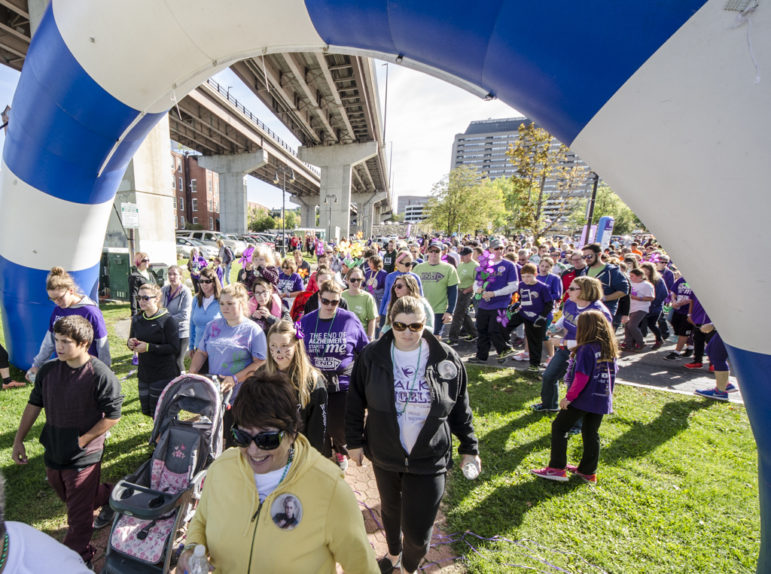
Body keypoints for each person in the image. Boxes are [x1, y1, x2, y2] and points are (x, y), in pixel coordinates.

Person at [178, 373, 379, 573]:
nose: (254, 451)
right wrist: (191, 548)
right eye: (242, 437)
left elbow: (362, 567)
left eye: (267, 439)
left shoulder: (330, 489)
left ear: (292, 433)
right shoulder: (221, 468)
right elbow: (202, 519)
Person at [347, 296, 481, 574]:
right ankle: (394, 554)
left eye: (415, 325)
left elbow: (460, 409)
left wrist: (470, 447)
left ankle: (409, 565)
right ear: (390, 324)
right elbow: (355, 401)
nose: (407, 332)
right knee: (390, 511)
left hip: (429, 458)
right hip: (385, 453)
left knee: (419, 534)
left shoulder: (446, 358)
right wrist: (355, 442)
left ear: (425, 325)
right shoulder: (372, 356)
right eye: (399, 325)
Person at [12, 316, 123, 565]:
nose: (59, 347)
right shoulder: (49, 371)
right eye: (57, 340)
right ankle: (112, 494)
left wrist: (83, 440)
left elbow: (114, 416)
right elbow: (33, 404)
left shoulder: (100, 374)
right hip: (54, 448)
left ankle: (78, 558)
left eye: (65, 342)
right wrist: (18, 440)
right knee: (69, 494)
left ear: (84, 343)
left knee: (78, 516)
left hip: (85, 454)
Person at [531, 310, 618, 485]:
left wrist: (569, 398)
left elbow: (582, 376)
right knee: (590, 432)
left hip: (583, 397)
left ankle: (556, 468)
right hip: (602, 397)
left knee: (559, 427)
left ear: (587, 328)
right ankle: (588, 472)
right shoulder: (608, 347)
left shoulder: (586, 348)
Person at [301, 280, 369, 470]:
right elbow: (294, 348)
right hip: (314, 383)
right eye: (326, 301)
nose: (330, 306)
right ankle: (323, 454)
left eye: (335, 302)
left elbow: (364, 349)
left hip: (342, 384)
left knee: (339, 427)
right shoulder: (305, 321)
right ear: (319, 298)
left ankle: (340, 451)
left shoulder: (350, 319)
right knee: (317, 425)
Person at [190, 283, 267, 439]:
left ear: (242, 304)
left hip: (241, 397)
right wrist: (192, 373)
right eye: (222, 303)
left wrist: (234, 379)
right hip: (215, 393)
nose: (224, 307)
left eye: (230, 303)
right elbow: (201, 352)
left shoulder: (253, 330)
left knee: (236, 440)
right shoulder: (212, 326)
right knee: (215, 437)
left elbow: (260, 363)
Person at [534, 276, 612, 412]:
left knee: (575, 386)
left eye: (571, 288)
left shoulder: (598, 312)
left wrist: (563, 342)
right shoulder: (570, 302)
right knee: (549, 376)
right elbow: (566, 316)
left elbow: (595, 342)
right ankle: (549, 405)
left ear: (585, 291)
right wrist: (555, 327)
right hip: (567, 349)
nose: (567, 291)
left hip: (585, 354)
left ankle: (575, 423)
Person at [26, 267, 111, 382]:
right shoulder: (58, 310)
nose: (57, 302)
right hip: (63, 369)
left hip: (87, 371)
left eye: (60, 298)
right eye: (52, 299)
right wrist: (37, 364)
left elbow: (102, 344)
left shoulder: (91, 312)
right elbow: (49, 341)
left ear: (70, 290)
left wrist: (104, 371)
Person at [0, 473, 93, 572]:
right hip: (55, 463)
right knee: (72, 496)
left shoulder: (60, 568)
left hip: (78, 462)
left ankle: (84, 554)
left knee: (79, 508)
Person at [262, 320, 327, 452]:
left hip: (299, 453)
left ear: (296, 346)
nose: (278, 351)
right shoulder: (262, 376)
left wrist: (311, 459)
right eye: (273, 346)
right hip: (269, 451)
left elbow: (318, 429)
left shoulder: (312, 381)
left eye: (285, 345)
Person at [128, 283, 180, 417]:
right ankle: (159, 436)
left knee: (164, 412)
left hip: (163, 374)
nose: (141, 301)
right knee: (149, 411)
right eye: (138, 297)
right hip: (145, 373)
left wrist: (149, 347)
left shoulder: (168, 320)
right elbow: (132, 339)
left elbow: (175, 348)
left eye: (145, 298)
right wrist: (130, 343)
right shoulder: (137, 319)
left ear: (157, 298)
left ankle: (168, 437)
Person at [469, 239, 518, 364]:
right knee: (482, 329)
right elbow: (476, 283)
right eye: (496, 248)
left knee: (494, 329)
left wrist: (494, 293)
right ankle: (481, 356)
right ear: (490, 250)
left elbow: (514, 286)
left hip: (500, 302)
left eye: (501, 248)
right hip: (484, 302)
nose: (499, 251)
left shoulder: (509, 265)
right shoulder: (484, 265)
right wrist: (478, 290)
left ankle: (505, 349)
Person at [504, 263, 554, 372]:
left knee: (534, 341)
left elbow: (549, 304)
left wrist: (542, 317)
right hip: (524, 313)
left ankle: (534, 365)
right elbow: (522, 299)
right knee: (503, 325)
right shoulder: (521, 285)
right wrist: (515, 306)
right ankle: (505, 348)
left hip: (537, 317)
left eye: (529, 276)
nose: (526, 279)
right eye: (523, 276)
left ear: (535, 274)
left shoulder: (543, 287)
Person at [413, 241, 459, 338]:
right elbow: (411, 289)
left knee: (435, 337)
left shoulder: (449, 269)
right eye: (431, 250)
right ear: (427, 252)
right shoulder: (418, 268)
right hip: (420, 309)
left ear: (442, 252)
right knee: (419, 337)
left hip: (439, 310)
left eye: (437, 251)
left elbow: (453, 292)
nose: (434, 253)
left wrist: (450, 311)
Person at [577, 243, 629, 317]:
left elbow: (624, 290)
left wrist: (604, 298)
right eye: (584, 257)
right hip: (586, 309)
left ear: (599, 254)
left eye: (589, 256)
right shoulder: (584, 271)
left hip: (604, 311)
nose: (586, 259)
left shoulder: (612, 271)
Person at [187, 267, 222, 366]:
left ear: (214, 282)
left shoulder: (221, 300)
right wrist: (191, 346)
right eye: (201, 281)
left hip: (217, 348)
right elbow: (192, 324)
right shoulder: (196, 299)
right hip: (199, 348)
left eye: (207, 281)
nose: (204, 284)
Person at [162, 265, 193, 372]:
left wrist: (165, 319)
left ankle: (184, 382)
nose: (172, 277)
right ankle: (171, 384)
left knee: (178, 360)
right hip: (167, 331)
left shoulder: (186, 292)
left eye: (175, 274)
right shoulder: (164, 290)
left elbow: (185, 315)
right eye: (169, 274)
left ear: (180, 276)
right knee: (168, 359)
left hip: (182, 331)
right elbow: (159, 308)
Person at [448, 246, 479, 345]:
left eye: (464, 255)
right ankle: (474, 333)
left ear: (470, 255)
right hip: (459, 290)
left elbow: (477, 282)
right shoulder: (461, 265)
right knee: (463, 313)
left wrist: (467, 290)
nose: (462, 257)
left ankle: (453, 338)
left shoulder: (475, 266)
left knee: (457, 315)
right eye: (461, 255)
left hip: (467, 291)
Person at [621, 268, 655, 351]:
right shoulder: (631, 283)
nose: (630, 277)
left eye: (632, 276)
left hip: (641, 308)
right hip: (631, 308)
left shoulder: (647, 285)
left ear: (640, 276)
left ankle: (641, 342)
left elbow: (651, 298)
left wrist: (637, 298)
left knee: (632, 325)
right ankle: (628, 344)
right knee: (627, 326)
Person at [342, 266, 378, 339]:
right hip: (344, 337)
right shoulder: (341, 296)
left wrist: (369, 338)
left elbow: (372, 319)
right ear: (347, 280)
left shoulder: (368, 297)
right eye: (352, 280)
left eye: (359, 280)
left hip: (361, 338)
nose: (356, 282)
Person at [128, 251, 157, 316]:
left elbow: (156, 290)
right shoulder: (134, 276)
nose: (147, 262)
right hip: (141, 308)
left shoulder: (150, 274)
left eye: (148, 260)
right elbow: (133, 295)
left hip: (152, 306)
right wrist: (134, 312)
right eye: (144, 260)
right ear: (138, 262)